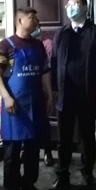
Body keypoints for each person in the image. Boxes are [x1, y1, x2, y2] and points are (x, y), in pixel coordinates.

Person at [0, 8, 54, 190]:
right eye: (31, 17)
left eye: (36, 17)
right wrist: (6, 97)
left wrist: (50, 94)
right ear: (20, 20)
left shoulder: (38, 45)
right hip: (15, 107)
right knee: (11, 154)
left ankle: (28, 188)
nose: (36, 21)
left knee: (32, 151)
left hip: (35, 105)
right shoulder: (5, 45)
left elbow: (44, 71)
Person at [49, 0, 96, 190]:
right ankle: (62, 175)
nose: (71, 7)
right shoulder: (61, 33)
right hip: (65, 94)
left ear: (85, 7)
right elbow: (54, 60)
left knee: (87, 136)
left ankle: (88, 173)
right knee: (64, 137)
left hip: (88, 93)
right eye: (69, 4)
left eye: (76, 4)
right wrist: (53, 87)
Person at [31, 23, 55, 167]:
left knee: (43, 123)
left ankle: (47, 151)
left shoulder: (46, 44)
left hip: (42, 88)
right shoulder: (22, 44)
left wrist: (48, 91)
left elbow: (47, 67)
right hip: (27, 90)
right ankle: (26, 150)